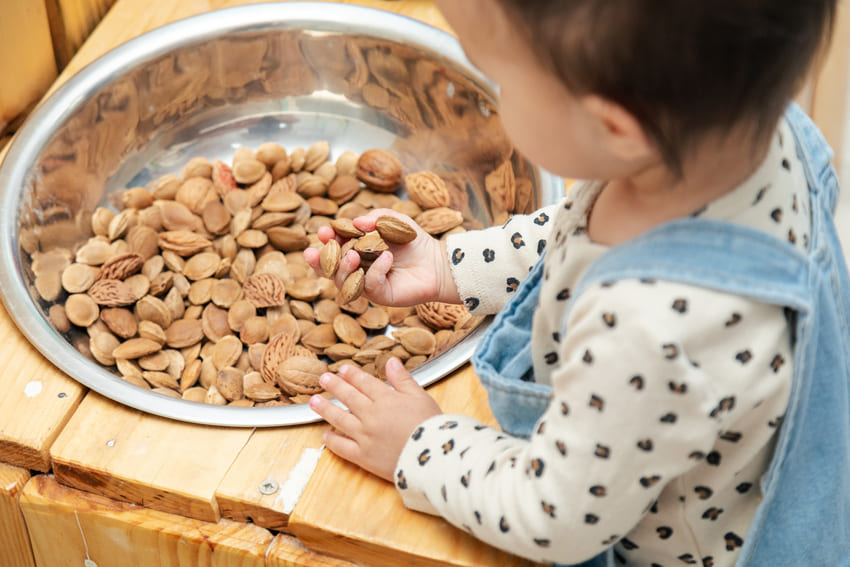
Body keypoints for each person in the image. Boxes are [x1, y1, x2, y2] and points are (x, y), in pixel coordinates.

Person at [304, 1, 850, 565]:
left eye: (501, 80)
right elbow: (579, 228)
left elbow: (554, 517)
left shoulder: (648, 332)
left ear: (613, 126)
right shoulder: (737, 136)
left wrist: (421, 446)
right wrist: (452, 266)